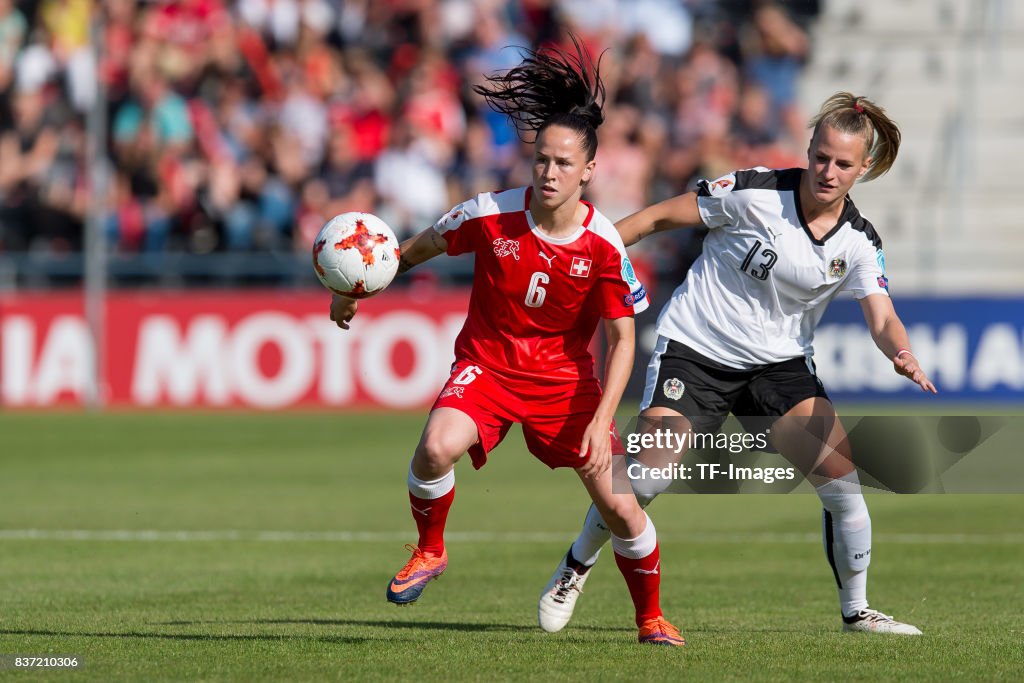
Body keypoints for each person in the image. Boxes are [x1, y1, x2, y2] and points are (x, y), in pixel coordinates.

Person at [537, 92, 936, 637]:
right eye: (821, 156)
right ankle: (575, 565)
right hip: (696, 348)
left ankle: (857, 611)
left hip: (779, 365)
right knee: (647, 480)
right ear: (810, 148)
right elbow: (654, 219)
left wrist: (902, 353)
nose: (827, 171)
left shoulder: (860, 242)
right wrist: (583, 257)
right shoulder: (753, 191)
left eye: (843, 163)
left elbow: (883, 318)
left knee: (843, 486)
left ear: (863, 168)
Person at [329, 37, 684, 646]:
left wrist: (602, 419)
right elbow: (415, 250)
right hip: (488, 368)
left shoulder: (604, 245)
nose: (549, 172)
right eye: (542, 159)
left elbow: (624, 340)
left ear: (589, 170)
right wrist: (357, 289)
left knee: (625, 509)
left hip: (566, 385)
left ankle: (650, 618)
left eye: (564, 164)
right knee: (435, 448)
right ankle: (430, 549)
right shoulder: (488, 214)